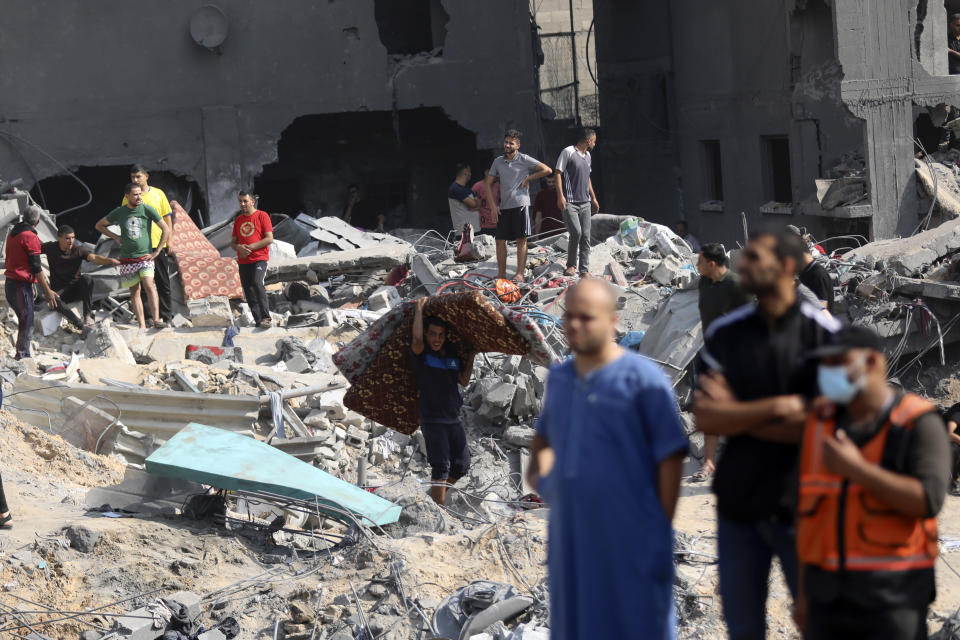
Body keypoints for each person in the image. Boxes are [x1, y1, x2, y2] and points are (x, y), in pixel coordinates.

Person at [693, 229, 839, 640]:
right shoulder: (726, 336)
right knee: (743, 627)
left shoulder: (823, 335)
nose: (744, 266)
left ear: (788, 268)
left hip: (805, 507)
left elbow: (836, 422)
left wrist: (737, 412)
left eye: (756, 259)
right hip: (739, 506)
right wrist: (781, 408)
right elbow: (706, 415)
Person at [527, 278, 687, 640]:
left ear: (612, 321)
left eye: (587, 318)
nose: (574, 326)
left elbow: (671, 461)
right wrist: (553, 484)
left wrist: (654, 533)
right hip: (573, 547)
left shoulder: (644, 381)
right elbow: (543, 442)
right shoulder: (562, 379)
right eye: (569, 317)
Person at [795, 325, 950, 639]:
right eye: (825, 364)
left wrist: (859, 469)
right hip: (827, 599)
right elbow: (805, 516)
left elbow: (929, 499)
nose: (829, 372)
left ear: (875, 364)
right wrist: (802, 594)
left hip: (892, 599)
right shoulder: (819, 422)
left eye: (839, 362)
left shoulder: (918, 422)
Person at [693, 243, 752, 482]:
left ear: (712, 263)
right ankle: (709, 462)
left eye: (700, 261)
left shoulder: (737, 286)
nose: (697, 266)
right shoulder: (704, 283)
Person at [410, 297, 475, 505]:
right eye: (432, 334)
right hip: (433, 418)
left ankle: (435, 497)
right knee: (441, 467)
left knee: (462, 465)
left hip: (453, 418)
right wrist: (419, 309)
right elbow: (417, 341)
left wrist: (473, 354)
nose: (437, 339)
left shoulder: (453, 355)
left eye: (441, 335)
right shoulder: (423, 355)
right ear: (427, 335)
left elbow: (464, 381)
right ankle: (438, 511)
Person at [96, 184, 169, 330]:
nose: (139, 197)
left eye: (140, 194)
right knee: (134, 292)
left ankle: (156, 320)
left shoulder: (147, 209)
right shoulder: (120, 212)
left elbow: (165, 228)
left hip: (145, 258)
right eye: (135, 195)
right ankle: (142, 325)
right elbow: (99, 225)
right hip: (127, 259)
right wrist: (115, 237)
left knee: (149, 285)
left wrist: (157, 251)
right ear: (127, 196)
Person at [485, 129, 552, 282]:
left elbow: (547, 170)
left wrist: (528, 178)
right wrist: (493, 207)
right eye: (506, 142)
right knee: (500, 240)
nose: (507, 145)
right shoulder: (498, 162)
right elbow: (488, 184)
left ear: (518, 145)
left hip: (521, 205)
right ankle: (501, 274)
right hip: (504, 206)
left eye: (511, 143)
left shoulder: (524, 159)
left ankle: (520, 274)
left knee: (521, 239)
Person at [4, 205, 57, 359]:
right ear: (38, 221)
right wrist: (47, 291)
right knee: (27, 321)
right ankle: (22, 357)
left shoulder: (13, 233)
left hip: (12, 283)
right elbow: (36, 267)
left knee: (24, 319)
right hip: (20, 286)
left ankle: (23, 354)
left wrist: (32, 285)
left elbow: (20, 261)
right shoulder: (30, 237)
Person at [41, 225, 119, 329]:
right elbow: (32, 250)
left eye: (73, 237)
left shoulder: (78, 249)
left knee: (87, 278)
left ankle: (87, 316)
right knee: (53, 298)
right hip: (59, 292)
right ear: (59, 238)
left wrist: (110, 260)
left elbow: (94, 258)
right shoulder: (50, 247)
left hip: (75, 289)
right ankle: (79, 324)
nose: (71, 241)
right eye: (67, 238)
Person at [123, 165, 174, 324]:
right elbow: (125, 218)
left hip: (157, 244)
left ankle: (167, 316)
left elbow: (167, 219)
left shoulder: (158, 194)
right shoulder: (128, 196)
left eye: (138, 176)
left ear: (147, 176)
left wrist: (169, 241)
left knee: (162, 281)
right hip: (138, 246)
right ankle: (149, 317)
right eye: (133, 177)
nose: (135, 180)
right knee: (142, 284)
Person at [555, 128, 599, 275]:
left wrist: (593, 198)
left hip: (585, 202)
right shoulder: (568, 152)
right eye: (594, 141)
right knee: (576, 232)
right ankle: (571, 265)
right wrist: (560, 196)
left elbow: (588, 179)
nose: (594, 143)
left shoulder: (588, 156)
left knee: (586, 236)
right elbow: (558, 174)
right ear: (588, 141)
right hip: (570, 202)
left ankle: (584, 270)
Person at [231, 191, 274, 328]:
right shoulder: (238, 220)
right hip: (243, 261)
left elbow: (269, 238)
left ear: (252, 202)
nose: (242, 204)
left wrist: (250, 247)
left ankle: (266, 317)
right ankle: (258, 320)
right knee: (248, 290)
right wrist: (239, 248)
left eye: (245, 201)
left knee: (257, 283)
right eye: (240, 201)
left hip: (259, 259)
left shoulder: (262, 216)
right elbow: (233, 243)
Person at [447, 163, 480, 232]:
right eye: (469, 171)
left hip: (474, 230)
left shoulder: (467, 188)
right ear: (465, 172)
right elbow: (473, 204)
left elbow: (478, 204)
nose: (470, 174)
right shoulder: (455, 188)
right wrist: (474, 205)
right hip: (464, 233)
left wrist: (475, 206)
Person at [472, 169, 500, 235]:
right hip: (484, 225)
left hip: (498, 224)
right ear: (486, 172)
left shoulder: (498, 185)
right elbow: (471, 204)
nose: (497, 174)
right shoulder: (477, 186)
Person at [945, 402, 960, 496]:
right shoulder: (958, 410)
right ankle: (954, 481)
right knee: (952, 448)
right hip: (948, 446)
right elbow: (949, 434)